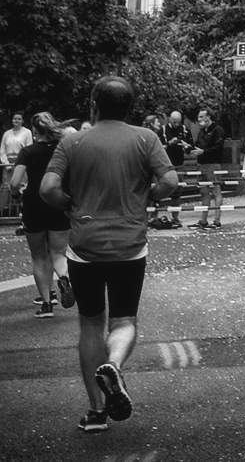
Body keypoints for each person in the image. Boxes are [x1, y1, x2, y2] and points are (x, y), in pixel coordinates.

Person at [40, 76, 178, 433]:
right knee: (124, 321)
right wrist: (145, 198)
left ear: (93, 105)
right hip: (130, 246)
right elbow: (170, 182)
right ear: (130, 106)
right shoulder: (145, 138)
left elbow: (48, 188)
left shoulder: (72, 141)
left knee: (89, 323)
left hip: (84, 246)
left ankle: (97, 413)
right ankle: (114, 365)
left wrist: (71, 205)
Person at [10, 112, 74, 318]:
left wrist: (16, 194)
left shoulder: (28, 152)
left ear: (34, 131)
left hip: (34, 205)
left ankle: (47, 304)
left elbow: (14, 182)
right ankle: (63, 278)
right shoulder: (62, 149)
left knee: (39, 256)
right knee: (58, 253)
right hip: (57, 202)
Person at [190, 108, 225, 229]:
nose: (199, 119)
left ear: (208, 117)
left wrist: (203, 151)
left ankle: (216, 220)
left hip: (213, 163)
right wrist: (191, 148)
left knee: (216, 191)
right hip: (201, 164)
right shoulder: (201, 132)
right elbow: (198, 145)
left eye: (201, 117)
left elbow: (218, 147)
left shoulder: (218, 130)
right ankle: (203, 220)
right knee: (203, 192)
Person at [160, 111, 191, 228]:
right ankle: (154, 216)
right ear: (169, 120)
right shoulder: (163, 130)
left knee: (177, 192)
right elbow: (159, 146)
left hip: (179, 163)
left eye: (178, 122)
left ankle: (175, 217)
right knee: (159, 190)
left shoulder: (184, 129)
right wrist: (169, 143)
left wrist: (186, 145)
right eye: (174, 122)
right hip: (165, 164)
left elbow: (190, 146)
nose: (176, 124)